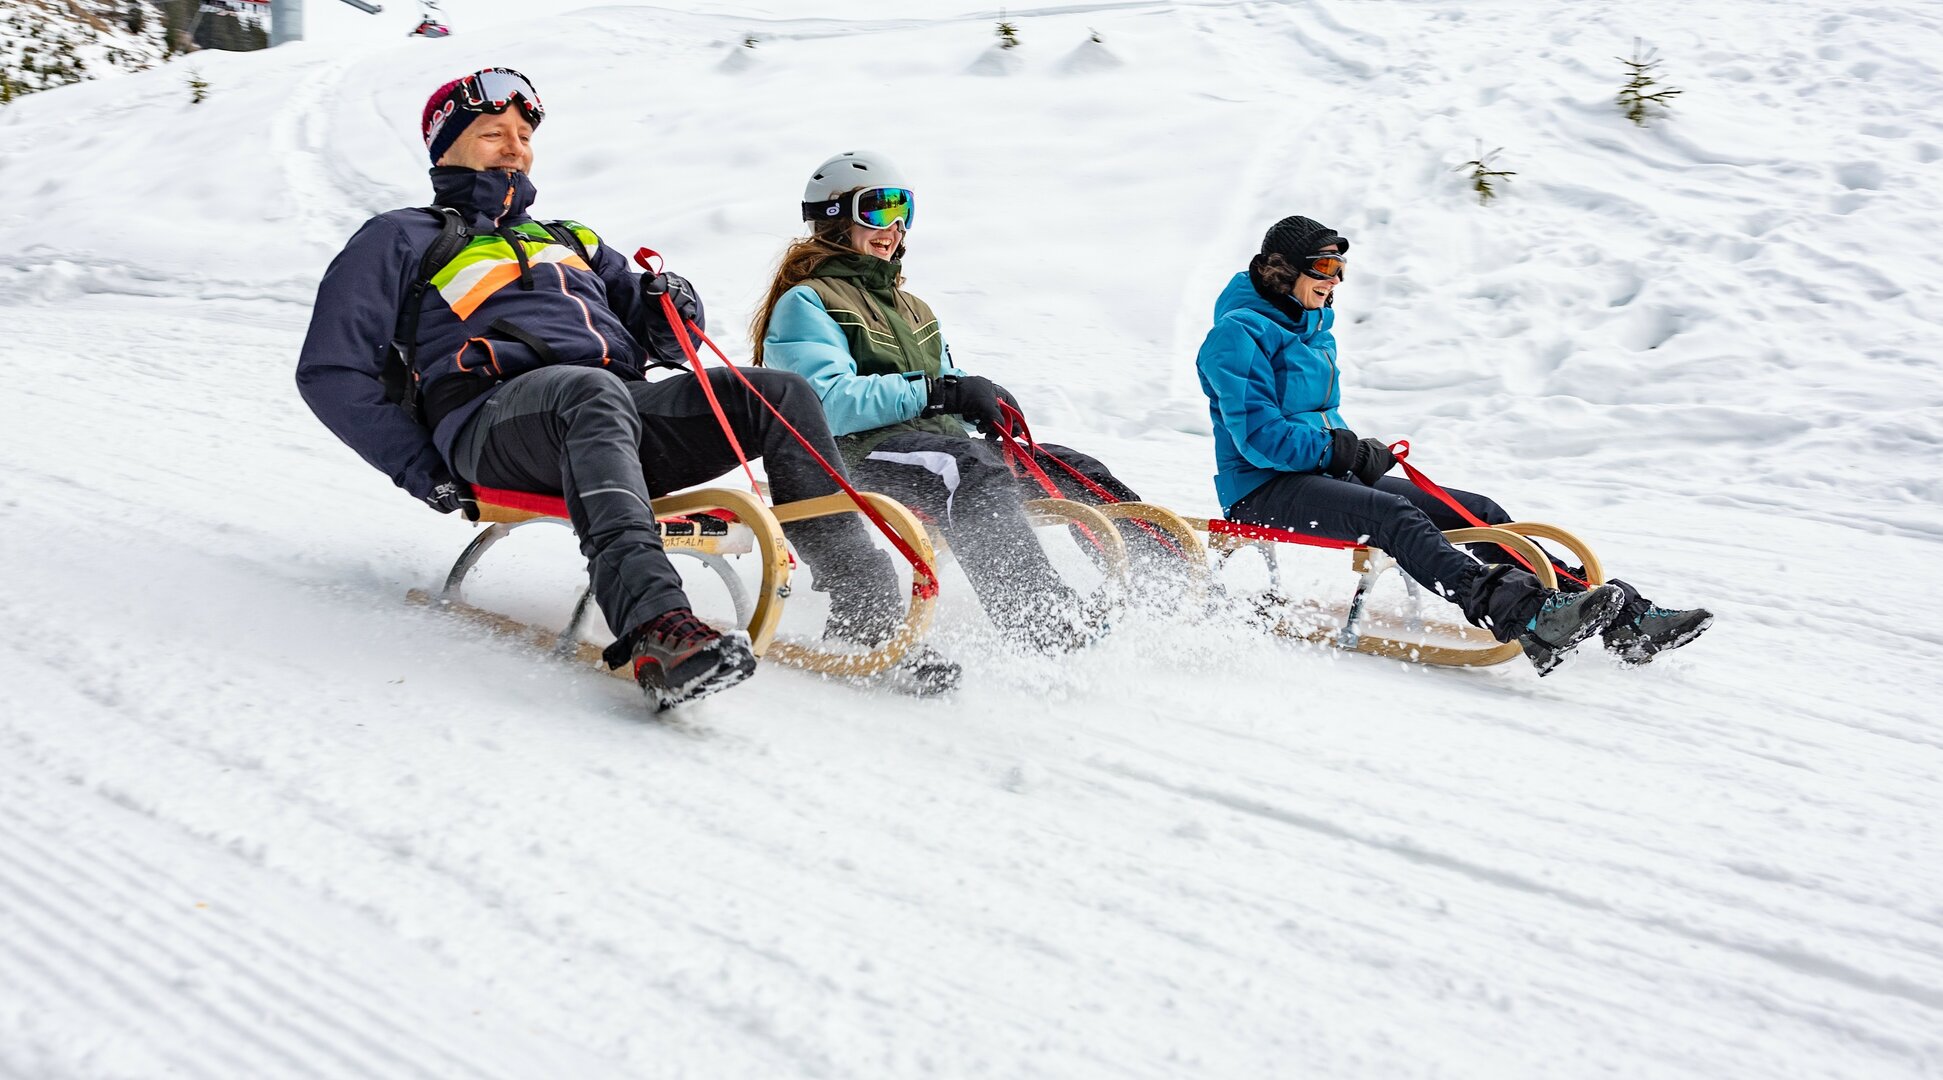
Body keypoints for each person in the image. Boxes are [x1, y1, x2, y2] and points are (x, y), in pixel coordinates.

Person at [296, 69, 955, 709]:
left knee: (776, 393)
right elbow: (331, 370)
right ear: (447, 147)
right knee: (588, 391)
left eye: (522, 136)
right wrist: (422, 469)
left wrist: (675, 307)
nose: (514, 147)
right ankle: (657, 629)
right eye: (492, 133)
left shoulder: (570, 239)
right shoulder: (402, 238)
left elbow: (669, 342)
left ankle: (870, 620)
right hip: (493, 424)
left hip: (607, 416)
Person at [1195, 215, 1712, 674]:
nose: (1335, 284)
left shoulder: (1312, 327)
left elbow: (1316, 421)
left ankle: (1619, 616)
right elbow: (1261, 438)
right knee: (1391, 516)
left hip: (1321, 474)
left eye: (1340, 272)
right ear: (1281, 272)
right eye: (1324, 270)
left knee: (1475, 511)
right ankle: (1523, 614)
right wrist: (1341, 451)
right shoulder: (1235, 337)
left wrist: (1348, 451)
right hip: (1262, 488)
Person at [751, 151, 1141, 653]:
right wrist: (937, 394)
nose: (893, 226)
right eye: (877, 209)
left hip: (934, 447)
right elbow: (825, 401)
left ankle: (1170, 587)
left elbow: (944, 380)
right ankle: (1042, 624)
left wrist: (974, 397)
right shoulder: (807, 302)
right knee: (968, 471)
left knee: (1069, 466)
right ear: (833, 219)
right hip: (857, 456)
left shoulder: (912, 307)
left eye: (903, 210)